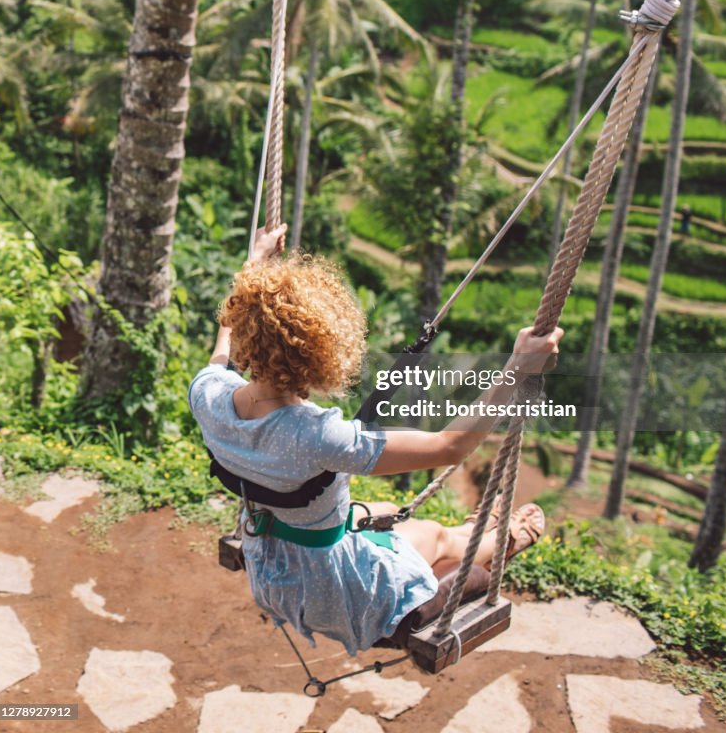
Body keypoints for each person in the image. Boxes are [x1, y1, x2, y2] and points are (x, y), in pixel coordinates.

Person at [189, 224, 564, 656]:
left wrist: (255, 263)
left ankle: (470, 533)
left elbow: (225, 335)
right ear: (324, 353)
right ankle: (508, 538)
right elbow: (449, 446)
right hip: (331, 591)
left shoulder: (208, 393)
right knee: (436, 536)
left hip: (271, 567)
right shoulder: (320, 435)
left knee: (385, 510)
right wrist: (517, 368)